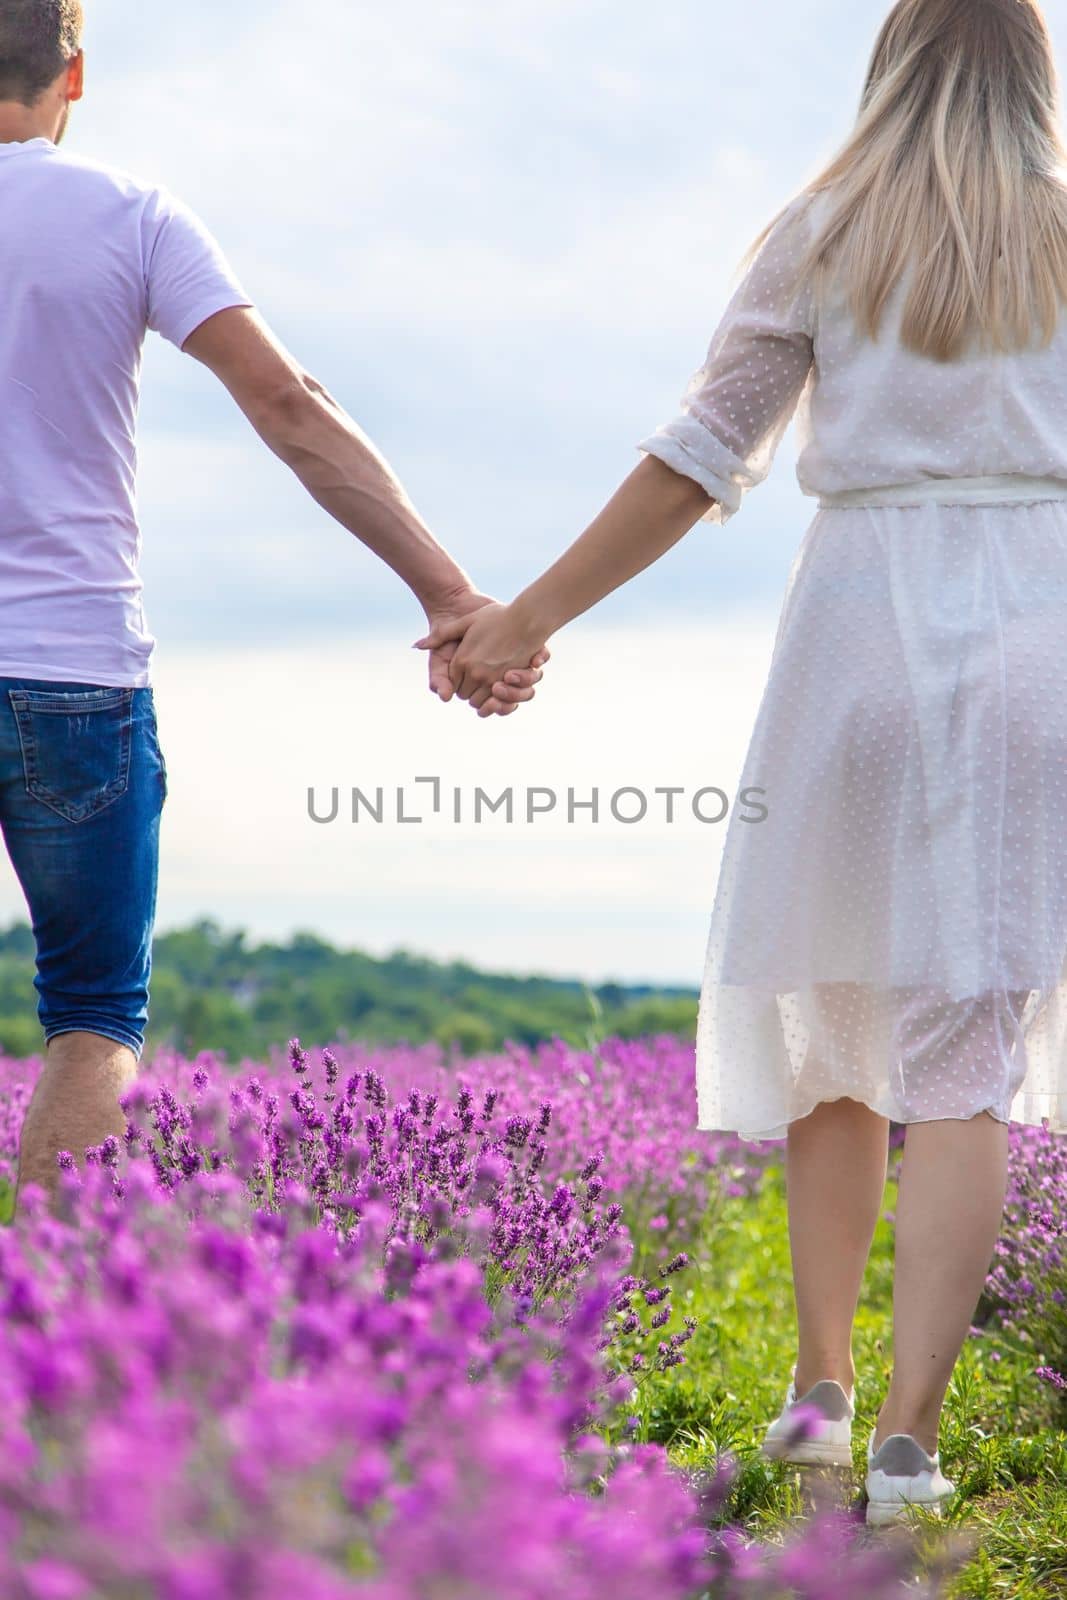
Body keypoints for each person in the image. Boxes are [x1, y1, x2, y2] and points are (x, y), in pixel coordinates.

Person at [419, 0, 1067, 1527]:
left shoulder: (824, 226)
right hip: (1040, 631)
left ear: (889, 61)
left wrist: (520, 617)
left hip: (858, 633)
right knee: (965, 1054)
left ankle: (818, 1397)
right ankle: (911, 1443)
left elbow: (702, 453)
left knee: (830, 1017)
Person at [3, 0, 547, 1222]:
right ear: (75, 74)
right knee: (91, 1020)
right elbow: (290, 409)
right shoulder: (132, 217)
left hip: (72, 675)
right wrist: (451, 595)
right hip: (73, 678)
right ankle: (39, 1345)